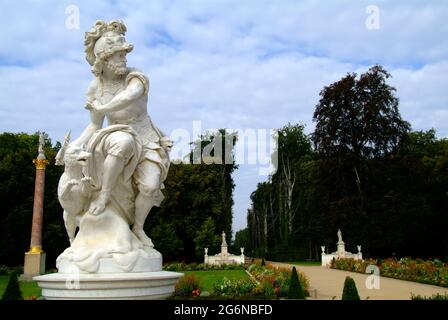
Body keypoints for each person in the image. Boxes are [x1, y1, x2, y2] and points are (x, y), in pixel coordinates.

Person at [72, 20, 172, 248]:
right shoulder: (95, 88)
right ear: (103, 60)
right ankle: (104, 195)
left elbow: (130, 96)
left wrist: (104, 108)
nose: (124, 58)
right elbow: (94, 126)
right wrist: (75, 146)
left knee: (150, 185)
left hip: (146, 137)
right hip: (115, 134)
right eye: (118, 55)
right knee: (122, 142)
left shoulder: (135, 76)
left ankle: (137, 227)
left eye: (124, 53)